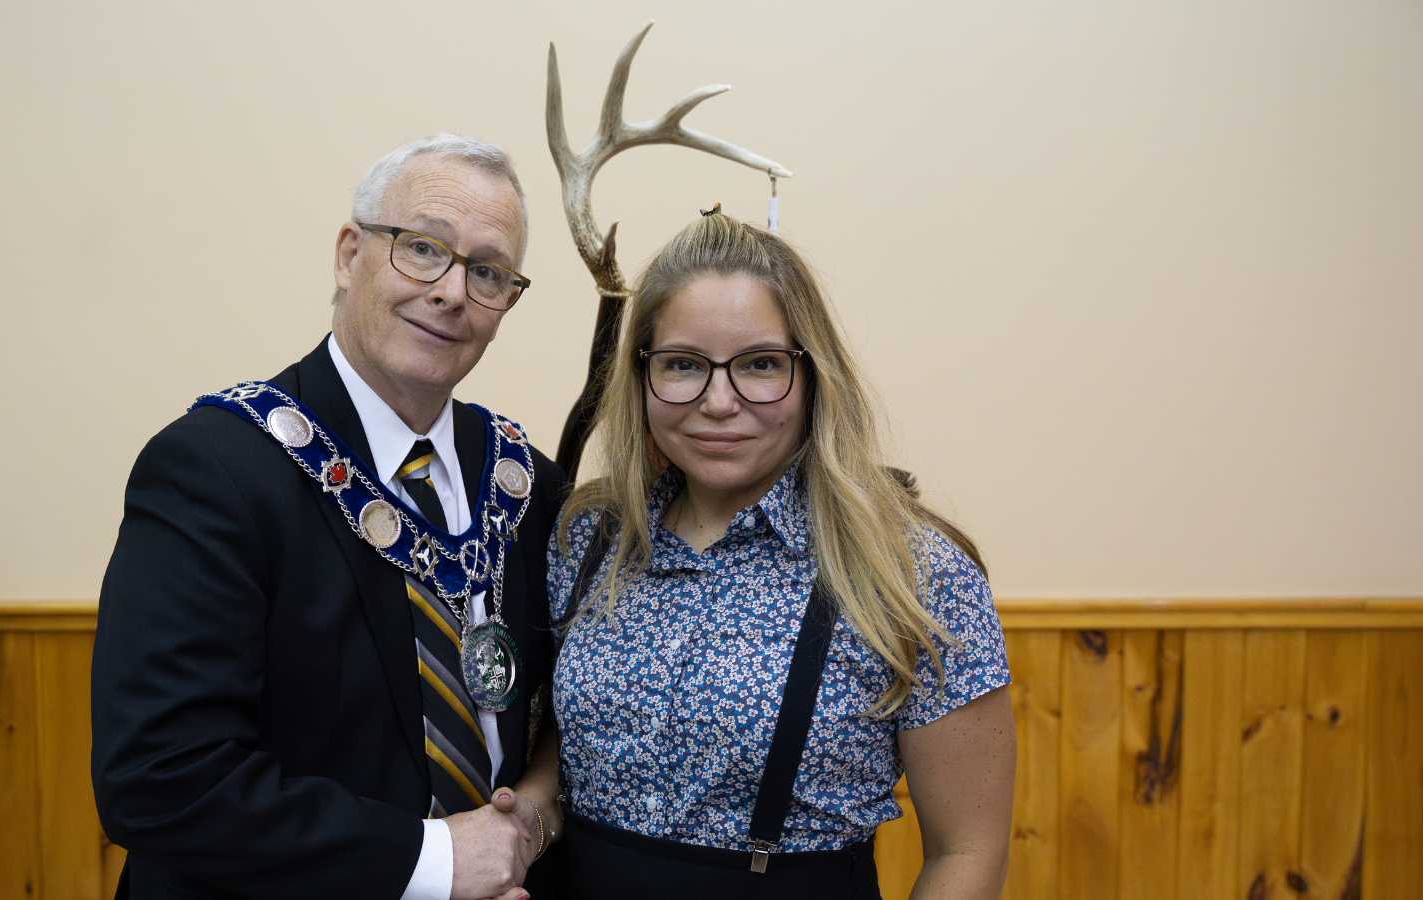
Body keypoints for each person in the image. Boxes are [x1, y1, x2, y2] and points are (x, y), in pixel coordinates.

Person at [92, 133, 567, 900]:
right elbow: (159, 779)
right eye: (422, 248)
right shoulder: (215, 469)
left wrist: (528, 827)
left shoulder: (522, 482)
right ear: (350, 254)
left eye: (488, 272)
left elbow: (573, 711)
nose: (451, 291)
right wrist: (439, 862)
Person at [545, 212, 1016, 898]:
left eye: (760, 365)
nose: (719, 401)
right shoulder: (585, 541)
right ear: (642, 376)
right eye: (682, 365)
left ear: (813, 372)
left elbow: (967, 849)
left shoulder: (916, 573)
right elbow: (547, 751)